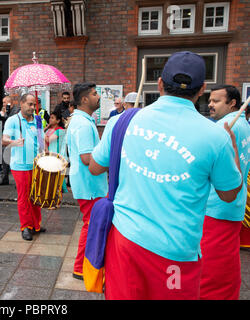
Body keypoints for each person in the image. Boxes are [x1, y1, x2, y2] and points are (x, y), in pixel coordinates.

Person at [89, 51, 242, 300]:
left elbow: (95, 167)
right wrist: (234, 155)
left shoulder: (123, 122)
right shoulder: (216, 136)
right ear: (202, 89)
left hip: (125, 241)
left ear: (160, 84)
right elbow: (228, 193)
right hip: (177, 250)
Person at [199, 85, 250, 300]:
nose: (210, 105)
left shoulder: (225, 127)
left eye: (216, 101)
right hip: (234, 204)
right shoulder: (244, 125)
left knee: (212, 264)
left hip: (216, 205)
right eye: (210, 100)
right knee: (228, 259)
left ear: (232, 104)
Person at [66, 83, 108, 280]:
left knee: (91, 224)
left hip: (89, 183)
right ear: (84, 99)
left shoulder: (84, 120)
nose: (97, 97)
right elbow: (86, 158)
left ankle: (84, 265)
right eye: (93, 94)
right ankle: (80, 267)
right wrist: (110, 163)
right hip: (89, 184)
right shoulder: (82, 124)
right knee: (90, 225)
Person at [2, 93, 45, 241]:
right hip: (20, 165)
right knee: (24, 197)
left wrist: (44, 153)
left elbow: (41, 140)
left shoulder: (38, 120)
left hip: (36, 165)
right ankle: (25, 226)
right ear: (21, 103)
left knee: (36, 196)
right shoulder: (13, 121)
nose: (33, 107)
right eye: (30, 104)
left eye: (34, 105)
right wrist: (14, 142)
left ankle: (36, 224)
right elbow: (4, 139)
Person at [45, 111, 68, 193]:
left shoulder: (60, 130)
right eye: (50, 117)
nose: (50, 120)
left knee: (57, 178)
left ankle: (58, 197)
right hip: (49, 156)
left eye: (52, 118)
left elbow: (48, 139)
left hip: (57, 156)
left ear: (58, 121)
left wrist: (41, 132)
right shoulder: (49, 130)